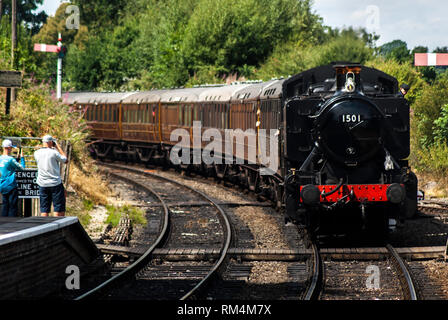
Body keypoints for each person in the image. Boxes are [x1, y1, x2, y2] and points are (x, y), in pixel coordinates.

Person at [34, 135, 68, 217]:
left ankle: (43, 226)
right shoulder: (54, 152)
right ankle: (57, 226)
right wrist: (57, 147)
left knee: (44, 209)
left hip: (42, 183)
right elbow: (65, 160)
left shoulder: (36, 153)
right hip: (55, 183)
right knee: (58, 208)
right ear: (51, 142)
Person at [0, 139, 25, 217]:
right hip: (11, 185)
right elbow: (22, 168)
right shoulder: (10, 159)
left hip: (2, 185)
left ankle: (4, 223)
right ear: (8, 148)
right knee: (12, 206)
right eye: (11, 148)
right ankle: (12, 223)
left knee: (5, 205)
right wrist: (22, 159)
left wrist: (16, 160)